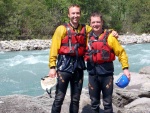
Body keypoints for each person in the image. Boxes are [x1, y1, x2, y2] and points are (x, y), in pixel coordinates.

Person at [48, 5, 118, 113]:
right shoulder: (61, 29)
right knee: (59, 98)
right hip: (64, 67)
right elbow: (53, 49)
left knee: (75, 99)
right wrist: (52, 67)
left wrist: (112, 31)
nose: (75, 16)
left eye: (77, 13)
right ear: (69, 15)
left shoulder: (86, 29)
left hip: (79, 67)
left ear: (80, 14)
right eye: (73, 13)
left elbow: (99, 29)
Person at [84, 12, 130, 113]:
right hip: (92, 75)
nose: (96, 24)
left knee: (107, 103)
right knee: (94, 103)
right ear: (90, 24)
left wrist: (125, 69)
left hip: (106, 75)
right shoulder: (86, 37)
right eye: (93, 22)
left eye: (98, 22)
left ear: (102, 22)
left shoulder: (110, 37)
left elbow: (121, 53)